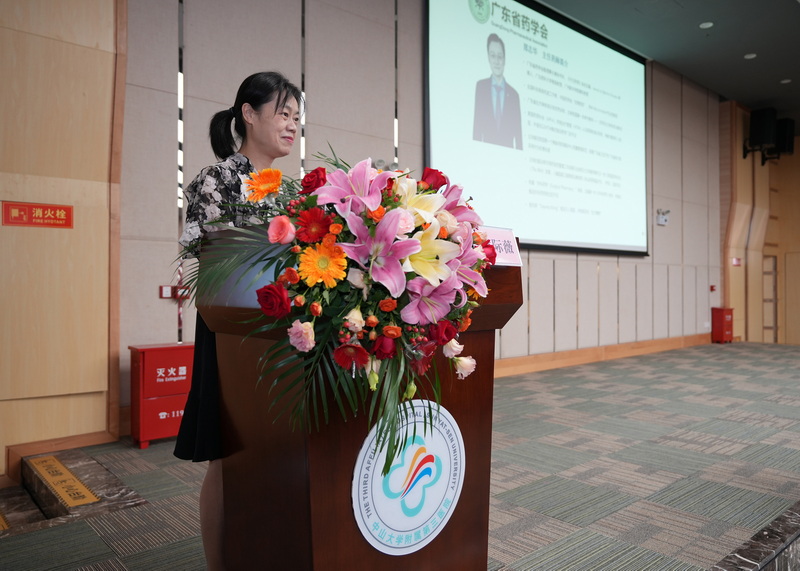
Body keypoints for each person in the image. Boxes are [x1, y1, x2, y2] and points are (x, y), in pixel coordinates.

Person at [174, 71, 302, 571]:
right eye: (283, 113)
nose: (291, 125)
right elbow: (204, 262)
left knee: (281, 455)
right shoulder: (217, 179)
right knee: (228, 459)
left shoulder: (292, 192)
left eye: (297, 117)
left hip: (288, 335)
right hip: (231, 335)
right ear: (249, 114)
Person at [473, 33, 523, 149]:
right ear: (488, 58)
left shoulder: (514, 95)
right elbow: (477, 128)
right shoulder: (481, 87)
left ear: (504, 59)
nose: (496, 61)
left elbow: (519, 138)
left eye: (500, 56)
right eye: (493, 56)